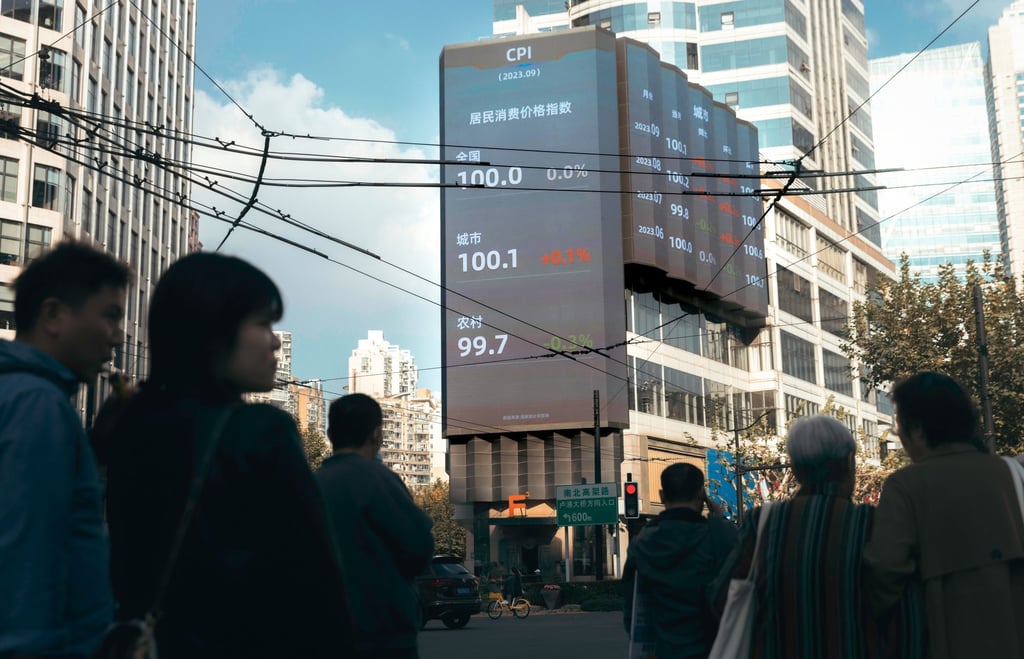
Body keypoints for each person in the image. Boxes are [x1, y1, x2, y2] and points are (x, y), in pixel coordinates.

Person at [101, 253, 352, 659]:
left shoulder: (128, 422)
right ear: (214, 332)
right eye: (263, 324)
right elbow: (315, 583)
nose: (274, 340)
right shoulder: (260, 431)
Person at [0, 241, 126, 658]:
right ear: (53, 315)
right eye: (110, 316)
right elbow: (26, 558)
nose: (118, 336)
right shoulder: (38, 404)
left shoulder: (21, 393)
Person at [864, 372, 1024, 659]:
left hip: (945, 636)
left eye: (900, 427)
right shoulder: (1007, 472)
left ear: (918, 430)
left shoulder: (906, 485)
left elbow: (885, 569)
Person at [711, 415, 888, 659]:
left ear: (794, 469)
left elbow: (721, 595)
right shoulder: (870, 523)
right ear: (850, 462)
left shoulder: (763, 522)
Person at [317, 393, 434, 659]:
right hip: (383, 633)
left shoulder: (312, 485)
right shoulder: (381, 480)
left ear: (330, 434)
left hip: (325, 630)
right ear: (378, 435)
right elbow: (419, 548)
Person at [623, 463, 738, 659]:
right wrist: (720, 521)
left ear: (661, 496)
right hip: (713, 650)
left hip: (663, 651)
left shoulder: (642, 543)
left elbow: (631, 613)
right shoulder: (720, 535)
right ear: (702, 495)